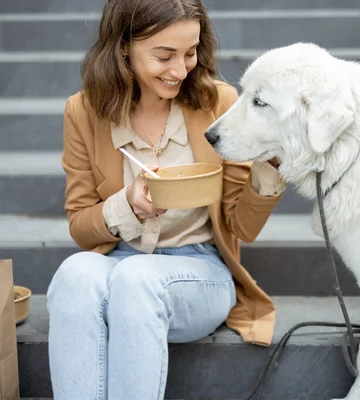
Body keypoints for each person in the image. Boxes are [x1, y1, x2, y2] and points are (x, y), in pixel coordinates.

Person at [46, 0, 287, 398]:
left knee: (136, 278)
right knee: (76, 272)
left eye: (190, 53)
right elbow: (80, 227)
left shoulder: (218, 102)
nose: (180, 69)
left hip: (198, 271)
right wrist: (126, 204)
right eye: (164, 56)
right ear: (123, 46)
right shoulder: (84, 110)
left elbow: (241, 226)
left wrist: (269, 170)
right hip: (120, 259)